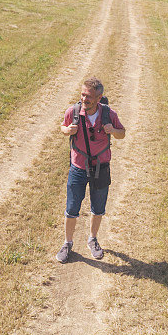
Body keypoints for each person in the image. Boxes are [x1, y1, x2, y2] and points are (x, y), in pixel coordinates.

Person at [56, 77, 125, 263]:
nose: (84, 99)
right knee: (71, 209)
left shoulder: (109, 114)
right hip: (78, 168)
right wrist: (66, 130)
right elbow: (62, 127)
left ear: (99, 97)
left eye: (88, 96)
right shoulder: (74, 111)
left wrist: (113, 130)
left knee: (98, 208)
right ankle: (67, 243)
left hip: (101, 168)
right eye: (82, 95)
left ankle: (93, 239)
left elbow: (122, 133)